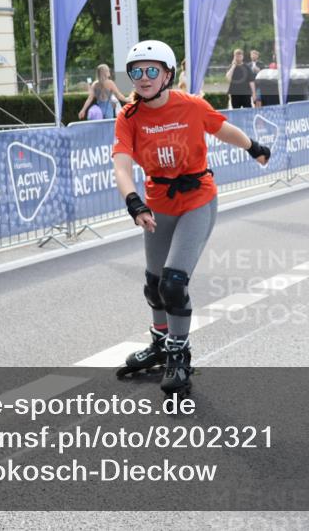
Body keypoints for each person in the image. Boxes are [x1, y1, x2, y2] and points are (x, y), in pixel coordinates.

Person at [112, 40, 270, 395]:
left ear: (167, 74)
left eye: (152, 70)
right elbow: (121, 165)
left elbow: (221, 127)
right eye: (136, 71)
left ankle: (179, 354)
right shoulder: (129, 116)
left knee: (172, 284)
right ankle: (159, 343)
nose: (143, 78)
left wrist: (253, 147)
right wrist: (135, 203)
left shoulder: (192, 106)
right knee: (153, 285)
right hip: (158, 204)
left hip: (197, 199)